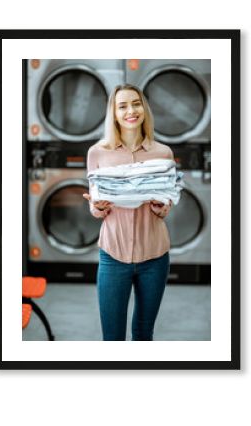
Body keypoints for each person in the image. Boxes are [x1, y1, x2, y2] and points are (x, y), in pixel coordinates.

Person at [83, 84, 174, 341]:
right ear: (113, 112)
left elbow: (167, 201)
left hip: (155, 257)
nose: (130, 111)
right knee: (112, 338)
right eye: (122, 105)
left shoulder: (163, 153)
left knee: (144, 333)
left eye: (135, 103)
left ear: (144, 108)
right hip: (113, 256)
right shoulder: (97, 153)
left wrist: (163, 208)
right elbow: (95, 202)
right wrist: (96, 208)